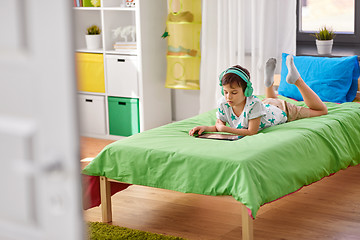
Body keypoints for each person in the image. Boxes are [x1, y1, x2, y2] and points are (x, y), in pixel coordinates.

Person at [189, 55, 328, 136]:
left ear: (247, 92)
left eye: (234, 92)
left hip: (282, 109)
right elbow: (217, 126)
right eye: (225, 92)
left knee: (321, 111)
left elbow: (252, 132)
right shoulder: (223, 104)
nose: (228, 97)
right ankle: (269, 82)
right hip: (267, 105)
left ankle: (297, 80)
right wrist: (204, 128)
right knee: (272, 99)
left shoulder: (253, 104)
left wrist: (224, 129)